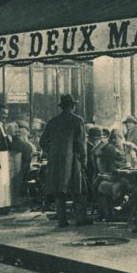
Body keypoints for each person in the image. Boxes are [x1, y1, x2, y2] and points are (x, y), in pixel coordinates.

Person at [41, 94, 90, 228]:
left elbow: (43, 142)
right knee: (78, 188)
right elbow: (81, 143)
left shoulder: (52, 122)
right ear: (73, 106)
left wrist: (52, 151)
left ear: (62, 107)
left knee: (59, 189)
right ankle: (80, 219)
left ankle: (62, 221)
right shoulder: (77, 120)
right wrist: (84, 160)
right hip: (73, 160)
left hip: (55, 161)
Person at [94, 128, 137, 221]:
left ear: (122, 138)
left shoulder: (128, 148)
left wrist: (136, 148)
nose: (114, 140)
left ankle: (115, 213)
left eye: (116, 138)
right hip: (116, 176)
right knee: (102, 185)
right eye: (112, 138)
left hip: (129, 178)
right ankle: (107, 214)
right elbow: (96, 155)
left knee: (103, 184)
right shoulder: (108, 148)